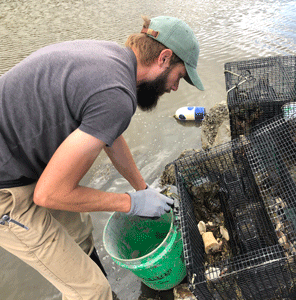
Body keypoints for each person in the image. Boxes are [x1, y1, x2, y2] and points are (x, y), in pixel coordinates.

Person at [0, 15, 204, 300]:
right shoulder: (116, 94)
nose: (174, 88)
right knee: (91, 291)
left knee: (80, 232)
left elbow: (111, 134)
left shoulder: (112, 61)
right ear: (164, 58)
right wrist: (130, 203)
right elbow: (49, 194)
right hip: (7, 191)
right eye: (179, 76)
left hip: (26, 162)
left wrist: (142, 188)